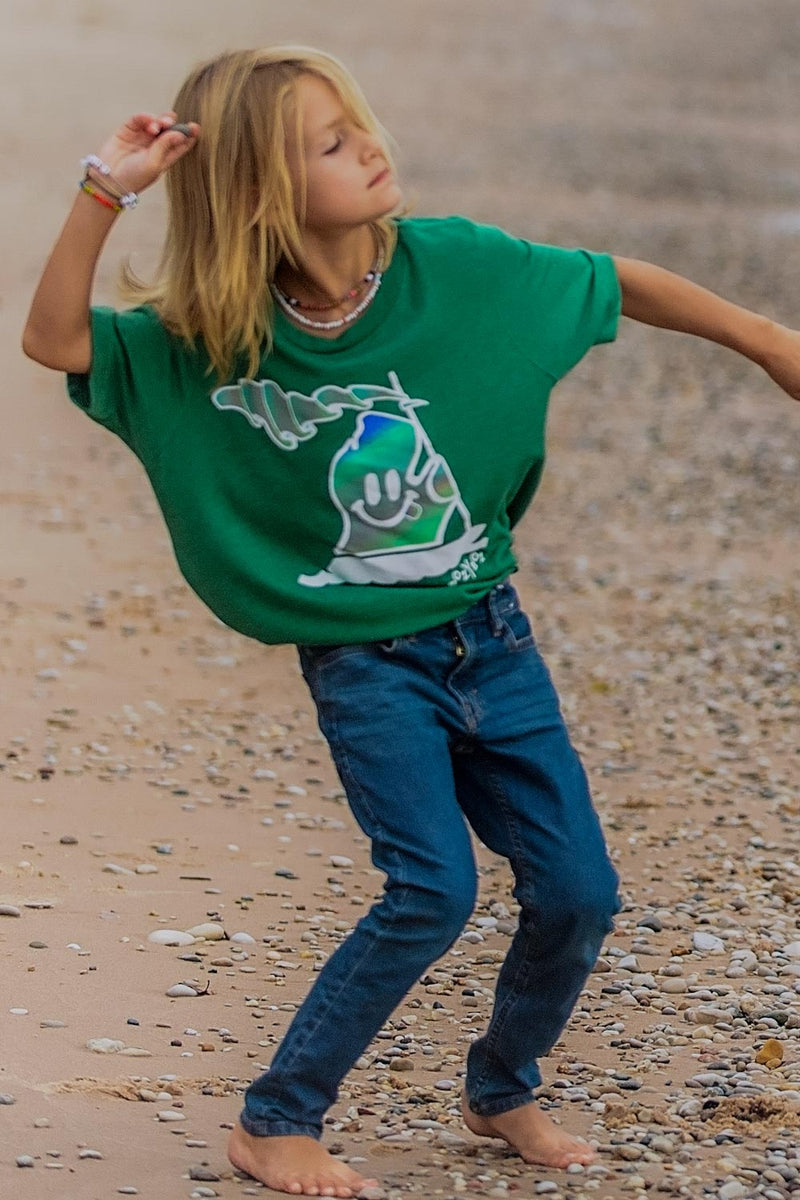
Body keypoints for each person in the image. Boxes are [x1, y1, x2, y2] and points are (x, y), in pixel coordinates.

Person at [22, 44, 800, 1200]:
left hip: (490, 634)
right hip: (363, 662)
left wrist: (767, 341)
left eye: (359, 124)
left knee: (579, 889)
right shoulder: (217, 333)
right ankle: (277, 1118)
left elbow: (613, 279)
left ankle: (502, 1088)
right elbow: (59, 342)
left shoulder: (458, 268)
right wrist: (105, 187)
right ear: (259, 194)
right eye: (330, 145)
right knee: (431, 887)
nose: (370, 147)